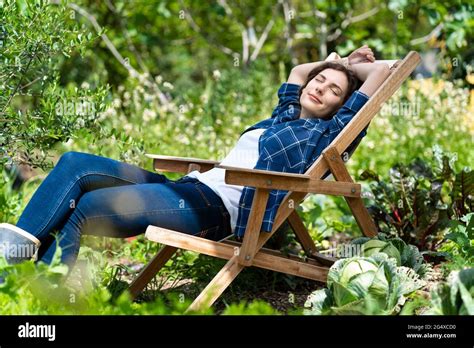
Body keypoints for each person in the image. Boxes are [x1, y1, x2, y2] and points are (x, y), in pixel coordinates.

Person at [0, 45, 391, 271]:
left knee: (85, 206)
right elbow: (297, 69)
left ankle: (37, 296)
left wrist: (354, 68)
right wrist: (335, 64)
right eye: (319, 81)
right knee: (73, 164)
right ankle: (16, 264)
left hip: (213, 210)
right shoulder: (283, 117)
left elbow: (384, 73)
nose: (320, 88)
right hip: (189, 189)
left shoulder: (324, 134)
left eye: (334, 91)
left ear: (342, 107)